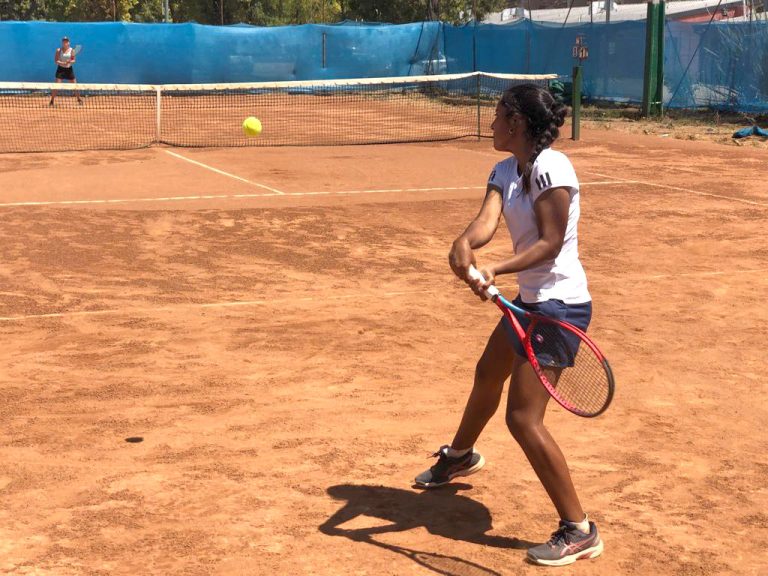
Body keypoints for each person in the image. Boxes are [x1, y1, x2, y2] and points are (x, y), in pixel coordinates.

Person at [414, 83, 604, 567]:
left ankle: (578, 528)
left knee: (522, 418)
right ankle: (460, 456)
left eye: (498, 115)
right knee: (487, 372)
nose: (493, 123)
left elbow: (550, 242)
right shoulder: (505, 170)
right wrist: (465, 245)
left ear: (517, 122)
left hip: (559, 308)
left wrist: (495, 269)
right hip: (531, 301)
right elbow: (486, 222)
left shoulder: (551, 168)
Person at [50, 36, 82, 106]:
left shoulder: (72, 50)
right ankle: (52, 101)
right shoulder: (58, 50)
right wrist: (62, 63)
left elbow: (74, 60)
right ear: (62, 42)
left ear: (69, 43)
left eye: (66, 41)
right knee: (56, 86)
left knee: (75, 86)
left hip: (69, 70)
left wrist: (69, 61)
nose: (65, 42)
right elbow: (56, 61)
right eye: (64, 41)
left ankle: (79, 99)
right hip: (60, 69)